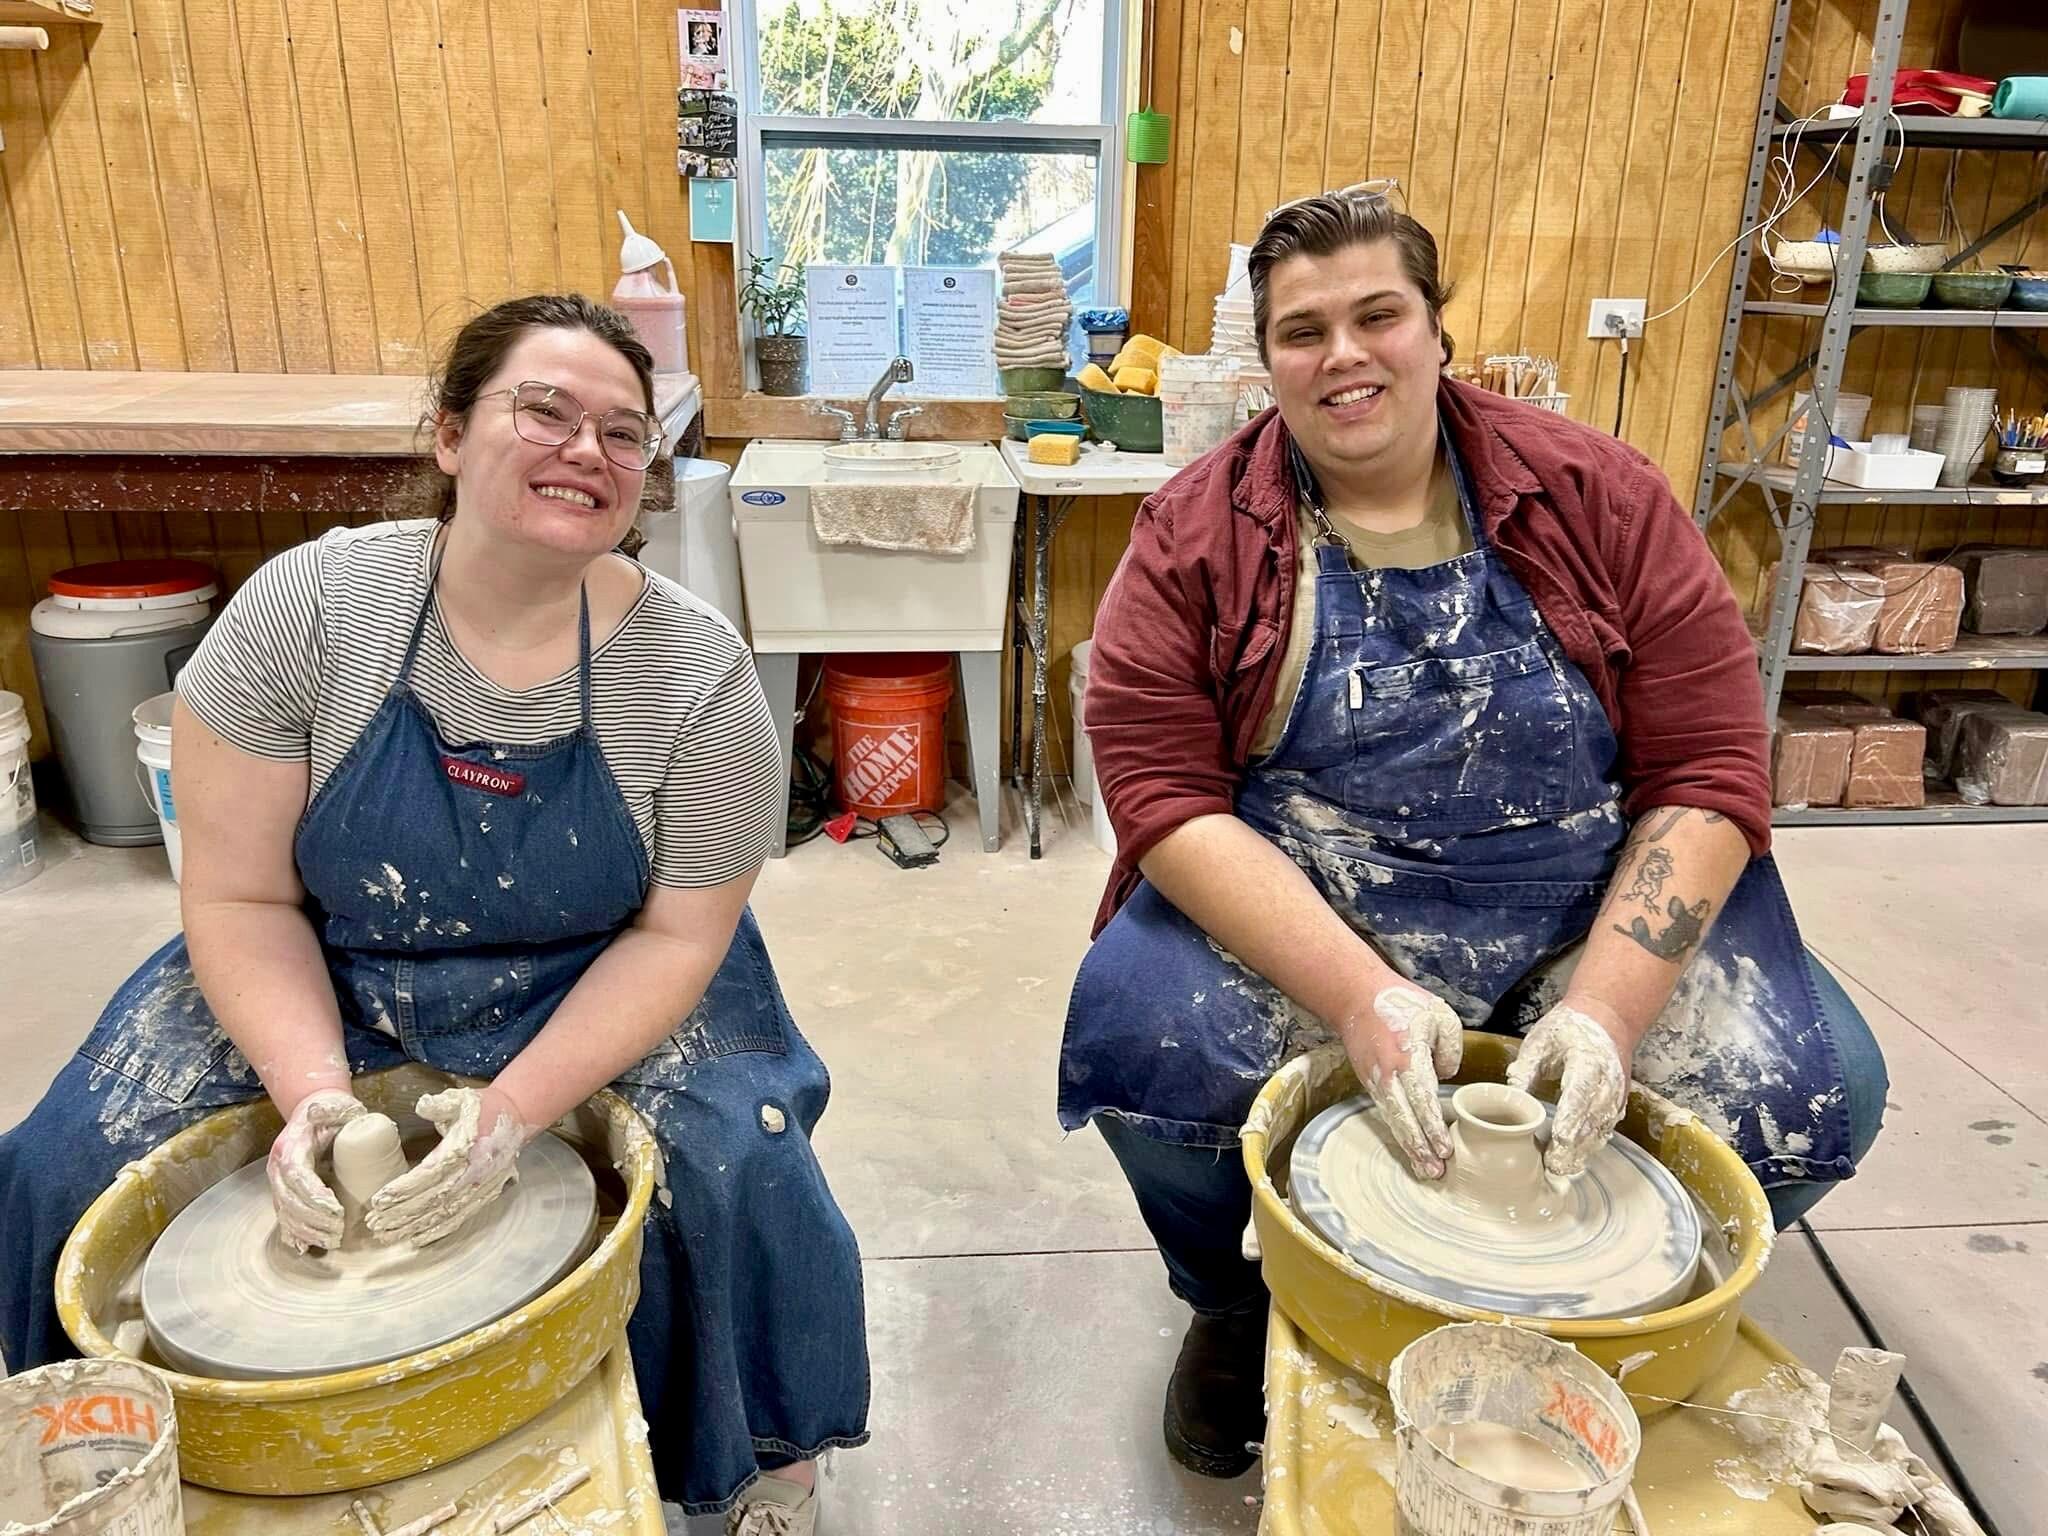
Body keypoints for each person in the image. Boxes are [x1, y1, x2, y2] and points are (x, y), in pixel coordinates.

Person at [0, 295, 866, 1534]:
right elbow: (239, 893)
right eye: (544, 411)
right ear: (451, 434)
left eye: (623, 434)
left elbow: (680, 935)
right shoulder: (309, 608)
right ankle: (109, 1469)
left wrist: (515, 1111)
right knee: (67, 1162)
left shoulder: (697, 671)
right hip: (332, 952)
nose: (587, 450)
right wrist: (312, 1095)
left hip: (599, 964)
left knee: (742, 1161)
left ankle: (760, 1461)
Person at [1061, 194, 1889, 1479]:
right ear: (1264, 361)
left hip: (1579, 896)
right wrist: (1359, 995)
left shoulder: (1599, 495)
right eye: (1302, 331)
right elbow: (1162, 796)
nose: (1343, 355)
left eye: (1376, 315)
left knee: (1805, 1092)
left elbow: (1710, 767)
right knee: (1144, 1047)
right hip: (1319, 894)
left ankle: (1586, 1304)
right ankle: (1230, 1302)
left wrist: (1604, 1012)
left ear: (1435, 331)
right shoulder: (1193, 534)